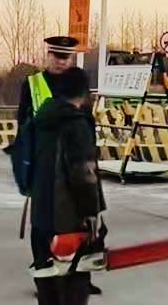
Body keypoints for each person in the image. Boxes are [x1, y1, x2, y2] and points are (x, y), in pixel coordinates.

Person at [11, 35, 102, 296]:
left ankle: (80, 277)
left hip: (73, 160)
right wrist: (26, 167)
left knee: (78, 223)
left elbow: (87, 121)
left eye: (66, 57)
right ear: (48, 55)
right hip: (43, 161)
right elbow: (23, 126)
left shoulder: (78, 81)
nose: (61, 62)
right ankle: (44, 275)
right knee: (43, 225)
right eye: (57, 56)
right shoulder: (32, 84)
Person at [30, 67, 106, 305]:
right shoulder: (76, 123)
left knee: (47, 282)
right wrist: (91, 212)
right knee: (74, 282)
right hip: (68, 217)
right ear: (83, 92)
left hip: (40, 214)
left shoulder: (41, 118)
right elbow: (83, 173)